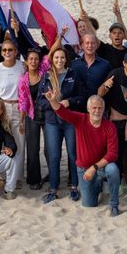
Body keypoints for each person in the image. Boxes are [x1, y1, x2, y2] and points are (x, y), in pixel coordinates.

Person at [46, 92, 121, 216]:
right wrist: (53, 101)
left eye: (100, 108)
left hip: (100, 167)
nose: (97, 111)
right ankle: (99, 184)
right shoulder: (80, 119)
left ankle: (114, 204)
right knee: (89, 204)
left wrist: (94, 168)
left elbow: (113, 154)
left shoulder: (109, 126)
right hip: (83, 168)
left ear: (104, 109)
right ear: (88, 109)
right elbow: (63, 113)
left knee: (113, 169)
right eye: (94, 108)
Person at [40, 46, 85, 203]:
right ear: (52, 59)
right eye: (56, 57)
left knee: (73, 154)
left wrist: (68, 102)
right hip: (52, 121)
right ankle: (53, 188)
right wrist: (52, 103)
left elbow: (82, 97)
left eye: (62, 58)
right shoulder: (46, 77)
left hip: (69, 120)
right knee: (54, 155)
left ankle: (74, 186)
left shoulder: (73, 74)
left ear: (67, 59)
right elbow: (39, 101)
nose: (59, 60)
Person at [98, 52, 127, 192]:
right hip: (117, 120)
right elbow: (99, 94)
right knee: (116, 154)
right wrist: (106, 86)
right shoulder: (115, 74)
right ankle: (117, 183)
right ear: (124, 63)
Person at [0, 39, 27, 186]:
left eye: (10, 50)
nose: (7, 53)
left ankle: (16, 178)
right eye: (4, 50)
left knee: (19, 143)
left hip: (18, 107)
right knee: (1, 143)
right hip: (2, 108)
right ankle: (1, 177)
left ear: (16, 52)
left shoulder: (22, 67)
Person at [19, 48, 49, 190]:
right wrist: (21, 121)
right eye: (30, 59)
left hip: (47, 114)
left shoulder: (44, 71)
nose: (33, 61)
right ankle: (34, 179)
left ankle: (52, 174)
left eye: (36, 59)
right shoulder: (23, 80)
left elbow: (52, 53)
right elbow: (23, 101)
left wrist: (60, 36)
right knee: (32, 148)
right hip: (31, 115)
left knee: (50, 148)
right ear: (26, 61)